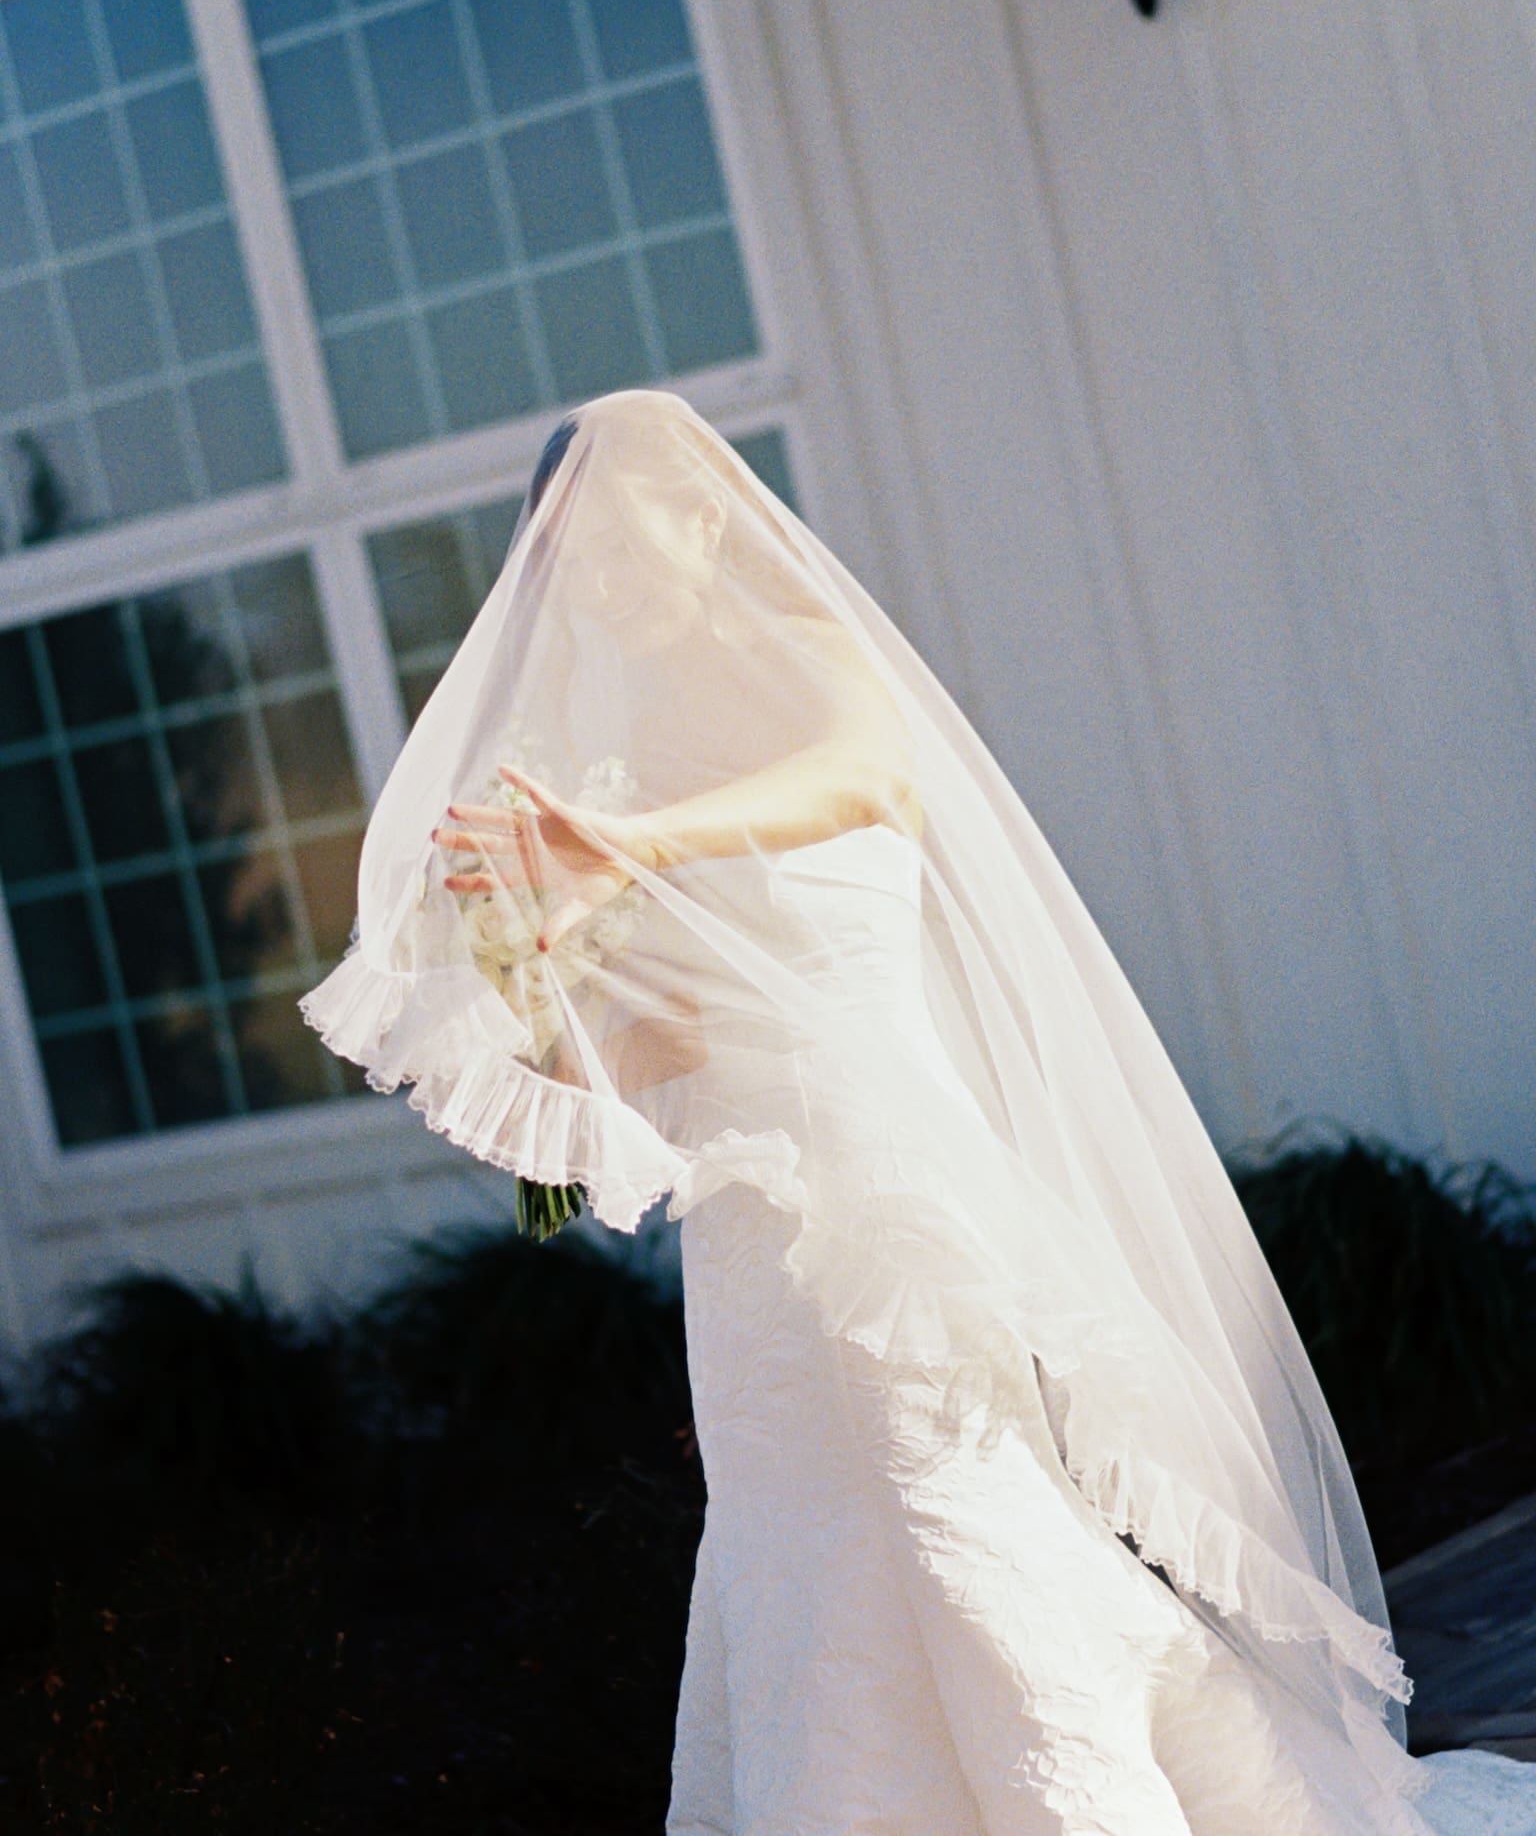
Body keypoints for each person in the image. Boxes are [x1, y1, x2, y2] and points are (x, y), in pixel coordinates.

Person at [302, 388, 1536, 1833]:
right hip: (751, 1223)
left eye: (617, 541)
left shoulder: (805, 665)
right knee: (804, 1536)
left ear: (702, 521)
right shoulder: (612, 772)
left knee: (948, 1498)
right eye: (572, 558)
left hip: (882, 1172)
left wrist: (624, 850)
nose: (599, 581)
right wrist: (534, 977)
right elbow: (658, 1063)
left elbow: (868, 776)